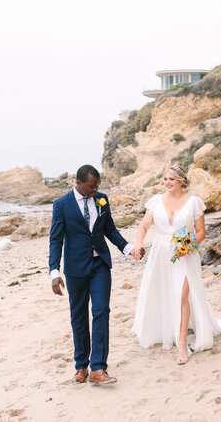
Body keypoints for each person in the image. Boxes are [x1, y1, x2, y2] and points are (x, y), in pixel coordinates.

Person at [132, 165, 221, 364]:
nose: (168, 182)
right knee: (164, 292)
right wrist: (139, 242)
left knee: (183, 295)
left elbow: (200, 232)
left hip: (185, 255)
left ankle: (183, 343)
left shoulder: (194, 202)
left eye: (172, 179)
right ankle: (168, 335)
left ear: (181, 181)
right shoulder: (156, 201)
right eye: (165, 179)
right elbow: (144, 225)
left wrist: (188, 245)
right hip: (160, 252)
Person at [49, 164, 141, 385]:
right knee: (78, 317)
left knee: (101, 311)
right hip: (75, 269)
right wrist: (54, 271)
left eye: (97, 185)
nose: (95, 190)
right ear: (79, 183)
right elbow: (56, 239)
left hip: (100, 263)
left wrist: (128, 249)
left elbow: (109, 229)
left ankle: (98, 367)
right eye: (92, 186)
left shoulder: (102, 199)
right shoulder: (61, 205)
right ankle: (81, 366)